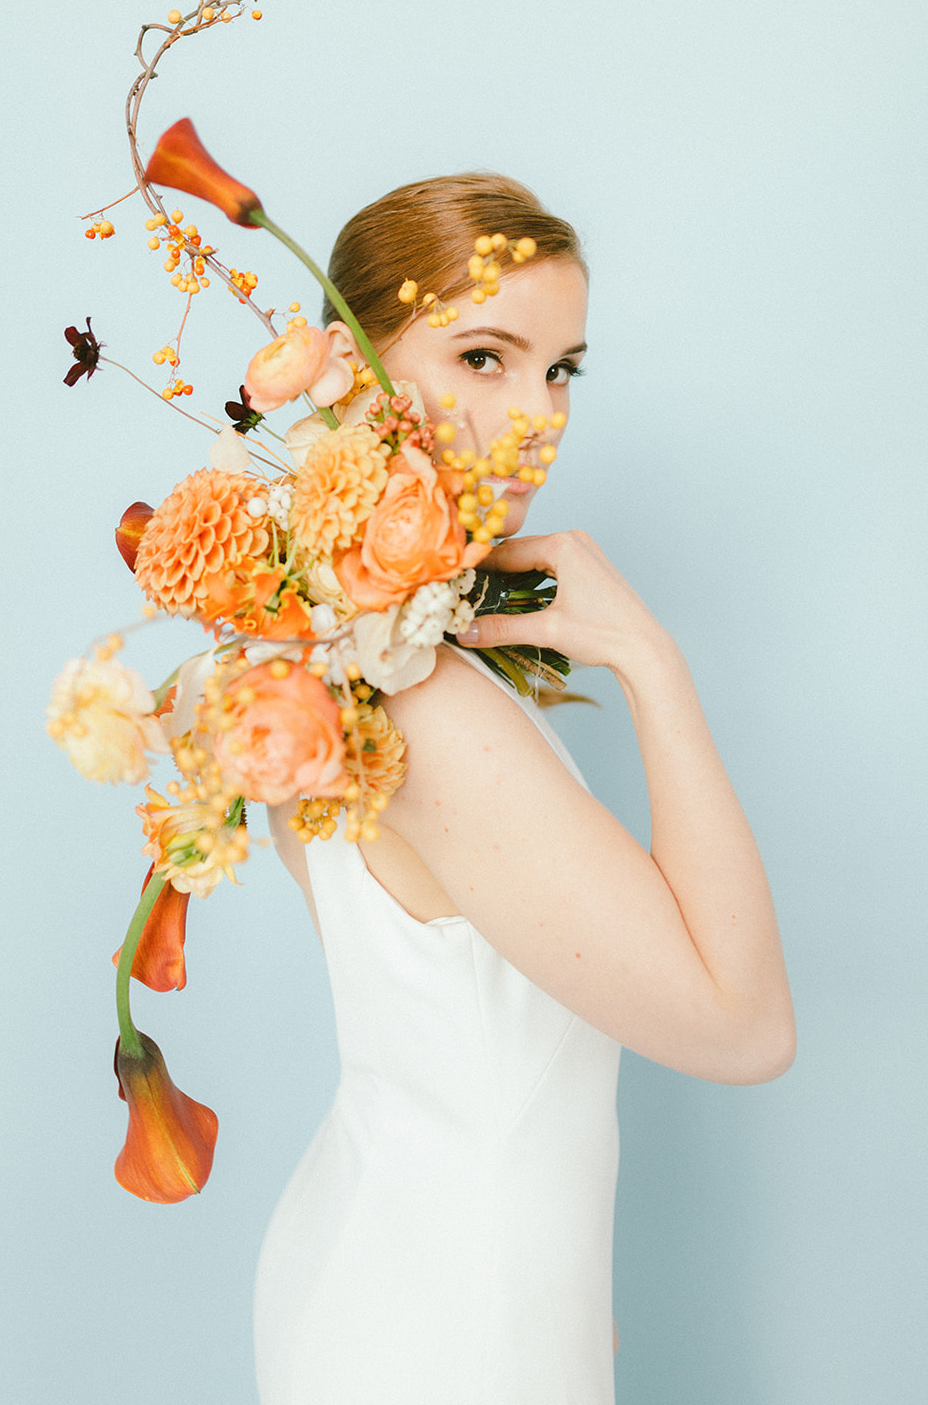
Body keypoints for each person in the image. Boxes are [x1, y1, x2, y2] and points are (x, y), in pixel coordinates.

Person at [254, 173, 796, 1405]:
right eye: (484, 356)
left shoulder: (324, 645)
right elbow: (743, 1027)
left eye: (562, 369)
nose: (538, 413)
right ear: (348, 367)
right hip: (443, 1316)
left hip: (420, 1266)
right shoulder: (426, 703)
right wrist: (652, 664)